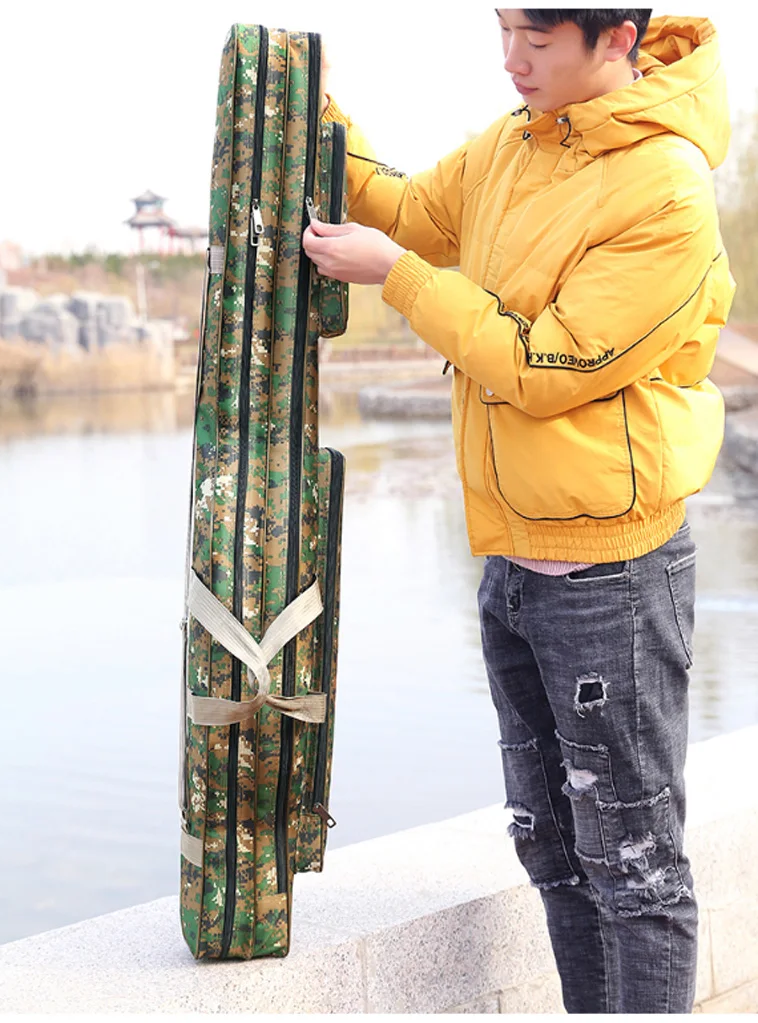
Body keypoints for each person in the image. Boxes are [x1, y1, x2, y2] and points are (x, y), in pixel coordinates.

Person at [303, 8, 734, 1014]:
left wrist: (399, 279)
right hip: (514, 563)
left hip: (610, 575)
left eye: (537, 40)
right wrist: (312, 105)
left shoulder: (666, 188)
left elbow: (551, 365)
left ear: (615, 37)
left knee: (634, 865)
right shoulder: (514, 144)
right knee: (553, 848)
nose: (511, 61)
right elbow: (409, 209)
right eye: (503, 31)